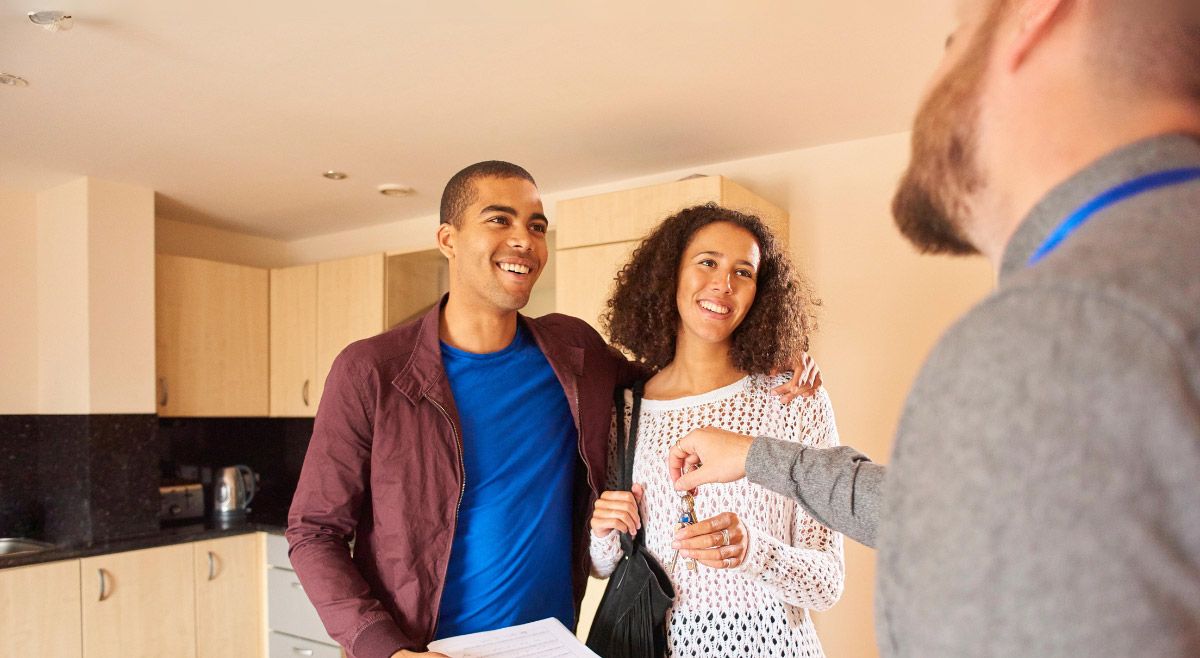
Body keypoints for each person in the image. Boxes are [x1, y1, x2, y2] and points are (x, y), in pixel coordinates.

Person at [669, 0, 1200, 656]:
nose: (932, 82)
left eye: (955, 39)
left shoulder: (1061, 326)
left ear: (1037, 15)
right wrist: (756, 457)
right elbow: (949, 518)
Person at [286, 161, 821, 658]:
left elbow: (674, 383)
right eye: (499, 219)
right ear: (448, 239)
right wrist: (385, 649)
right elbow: (313, 532)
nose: (524, 239)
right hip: (425, 647)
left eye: (538, 225)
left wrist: (776, 361)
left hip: (547, 645)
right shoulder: (373, 371)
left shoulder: (574, 352)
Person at [589, 203, 843, 657]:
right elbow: (603, 565)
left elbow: (827, 582)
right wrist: (604, 531)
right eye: (707, 262)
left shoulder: (792, 400)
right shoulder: (626, 409)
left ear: (759, 292)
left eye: (743, 272)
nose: (724, 285)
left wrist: (751, 551)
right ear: (670, 275)